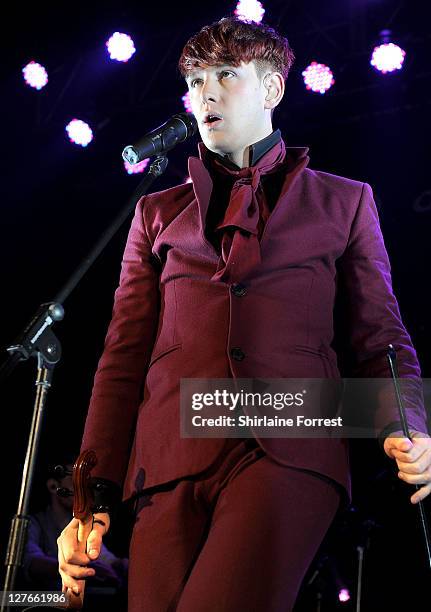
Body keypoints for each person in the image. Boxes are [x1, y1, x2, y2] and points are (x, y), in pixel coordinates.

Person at [57, 17, 431, 611]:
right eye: (195, 79)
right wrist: (89, 498)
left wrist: (406, 420)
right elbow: (122, 358)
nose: (205, 91)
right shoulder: (155, 212)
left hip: (290, 445)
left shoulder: (345, 201)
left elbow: (380, 332)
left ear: (272, 90)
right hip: (168, 463)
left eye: (226, 75)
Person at [24, 463, 128, 600]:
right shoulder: (33, 523)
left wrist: (124, 565)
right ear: (53, 486)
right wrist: (76, 569)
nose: (83, 489)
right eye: (76, 481)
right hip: (41, 599)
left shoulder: (84, 525)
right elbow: (31, 562)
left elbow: (105, 558)